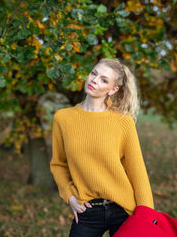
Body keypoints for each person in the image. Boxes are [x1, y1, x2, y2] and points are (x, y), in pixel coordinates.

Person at [50, 58, 154, 237]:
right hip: (87, 211)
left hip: (123, 209)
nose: (94, 80)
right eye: (94, 73)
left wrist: (147, 216)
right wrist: (70, 197)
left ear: (113, 90)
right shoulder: (63, 118)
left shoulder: (123, 121)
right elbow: (58, 164)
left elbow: (137, 171)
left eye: (104, 80)